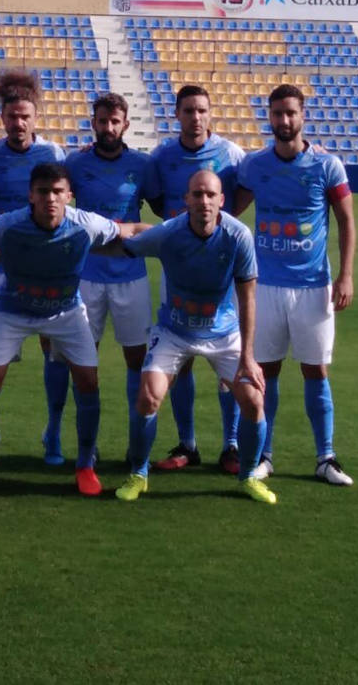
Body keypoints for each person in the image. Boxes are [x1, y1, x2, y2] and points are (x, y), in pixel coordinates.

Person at [0, 163, 140, 499]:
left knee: (87, 380)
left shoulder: (86, 224)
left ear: (69, 195)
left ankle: (85, 466)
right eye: (43, 192)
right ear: (31, 195)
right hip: (13, 310)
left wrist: (177, 232)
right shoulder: (9, 225)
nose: (50, 199)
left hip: (66, 311)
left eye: (58, 192)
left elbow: (128, 232)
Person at [112, 170, 276, 505]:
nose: (204, 201)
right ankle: (138, 473)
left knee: (254, 400)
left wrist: (247, 356)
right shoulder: (169, 234)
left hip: (223, 333)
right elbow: (124, 247)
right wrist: (69, 240)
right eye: (197, 195)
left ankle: (247, 476)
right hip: (174, 331)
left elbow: (248, 298)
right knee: (148, 397)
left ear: (221, 200)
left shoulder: (238, 236)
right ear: (186, 200)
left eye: (210, 195)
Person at [234, 83, 357, 486]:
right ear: (268, 117)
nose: (284, 121)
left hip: (313, 286)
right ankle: (264, 455)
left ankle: (326, 457)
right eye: (277, 114)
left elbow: (346, 221)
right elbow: (230, 212)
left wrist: (346, 275)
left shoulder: (327, 166)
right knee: (265, 373)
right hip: (265, 287)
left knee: (315, 371)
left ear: (303, 115)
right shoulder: (255, 166)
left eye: (291, 113)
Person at [145, 84, 247, 474]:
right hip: (178, 267)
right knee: (181, 359)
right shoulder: (162, 158)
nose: (196, 117)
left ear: (210, 113)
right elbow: (155, 202)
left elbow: (245, 190)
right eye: (188, 110)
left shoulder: (231, 154)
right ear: (177, 114)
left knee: (227, 357)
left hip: (222, 265)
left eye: (202, 110)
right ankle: (187, 443)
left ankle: (232, 445)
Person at [0, 69, 66, 466]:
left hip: (46, 268)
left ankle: (54, 433)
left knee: (54, 351)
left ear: (35, 116)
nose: (19, 123)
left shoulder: (54, 155)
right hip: (2, 270)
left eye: (25, 116)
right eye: (12, 116)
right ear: (2, 118)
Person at [64, 93, 158, 459]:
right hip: (86, 275)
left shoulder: (142, 165)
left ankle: (137, 443)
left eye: (114, 122)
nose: (108, 128)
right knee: (84, 361)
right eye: (102, 121)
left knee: (138, 361)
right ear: (93, 123)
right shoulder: (75, 162)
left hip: (131, 276)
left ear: (126, 125)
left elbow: (162, 206)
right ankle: (87, 446)